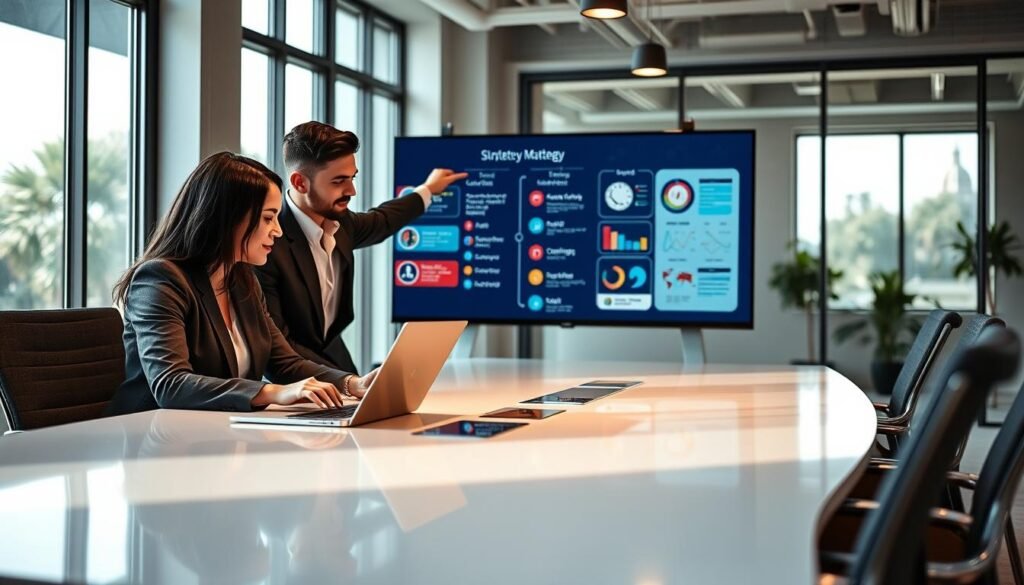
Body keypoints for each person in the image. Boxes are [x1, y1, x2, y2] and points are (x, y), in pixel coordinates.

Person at [108, 152, 375, 415]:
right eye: (268, 218)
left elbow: (285, 363)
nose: (278, 231)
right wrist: (274, 392)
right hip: (150, 439)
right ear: (229, 218)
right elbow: (170, 384)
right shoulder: (159, 280)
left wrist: (351, 383)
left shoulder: (242, 281)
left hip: (215, 434)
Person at [253, 121, 467, 373]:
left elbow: (383, 220)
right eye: (339, 181)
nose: (351, 190)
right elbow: (277, 347)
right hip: (292, 384)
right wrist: (345, 383)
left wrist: (428, 189)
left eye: (352, 178)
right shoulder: (266, 246)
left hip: (338, 364)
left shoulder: (342, 223)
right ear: (300, 183)